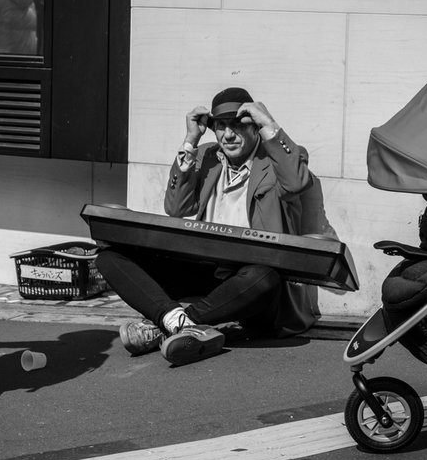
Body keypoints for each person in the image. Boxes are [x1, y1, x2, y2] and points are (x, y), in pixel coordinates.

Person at [95, 87, 320, 365]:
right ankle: (177, 322)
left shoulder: (275, 159)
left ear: (255, 128)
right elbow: (176, 209)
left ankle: (171, 324)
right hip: (209, 273)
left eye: (238, 125)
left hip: (251, 282)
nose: (228, 134)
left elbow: (297, 182)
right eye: (221, 126)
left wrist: (269, 124)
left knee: (264, 277)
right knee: (109, 257)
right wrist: (190, 141)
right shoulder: (205, 156)